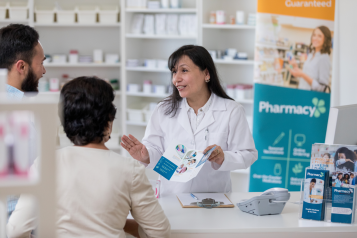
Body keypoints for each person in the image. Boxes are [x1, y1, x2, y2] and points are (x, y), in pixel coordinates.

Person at [7, 77, 171, 238]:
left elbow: (16, 230)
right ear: (109, 121)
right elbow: (160, 231)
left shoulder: (44, 164)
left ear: (65, 123)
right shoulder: (130, 169)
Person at [121, 45, 258, 196]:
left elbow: (248, 154)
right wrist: (145, 155)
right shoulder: (163, 110)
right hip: (171, 197)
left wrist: (223, 157)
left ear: (206, 73)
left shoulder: (231, 110)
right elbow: (156, 150)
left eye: (184, 70)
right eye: (174, 72)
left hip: (213, 200)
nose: (176, 79)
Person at [0, 24, 46, 219]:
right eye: (41, 63)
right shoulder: (19, 112)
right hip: (15, 220)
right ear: (21, 66)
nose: (43, 71)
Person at [288, 26, 332, 92]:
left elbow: (322, 88)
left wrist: (302, 74)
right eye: (314, 35)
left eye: (319, 36)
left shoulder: (324, 58)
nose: (315, 38)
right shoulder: (311, 55)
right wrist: (295, 66)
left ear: (325, 39)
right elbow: (306, 78)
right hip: (302, 93)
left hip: (311, 98)